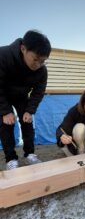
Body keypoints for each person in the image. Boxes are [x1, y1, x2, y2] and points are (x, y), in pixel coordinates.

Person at [0, 30, 51, 170]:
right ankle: (10, 158)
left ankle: (30, 154)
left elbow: (38, 92)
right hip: (2, 94)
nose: (38, 64)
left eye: (43, 61)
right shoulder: (3, 56)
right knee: (6, 124)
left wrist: (30, 110)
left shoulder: (42, 70)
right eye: (35, 59)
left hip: (21, 96)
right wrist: (5, 111)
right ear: (23, 49)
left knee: (27, 121)